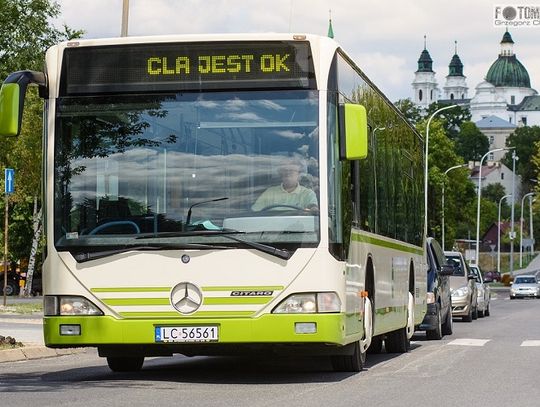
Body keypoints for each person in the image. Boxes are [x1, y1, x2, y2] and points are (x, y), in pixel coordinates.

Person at [251, 158, 318, 212]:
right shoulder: (269, 192)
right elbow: (255, 212)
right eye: (285, 170)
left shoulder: (308, 194)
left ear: (299, 175)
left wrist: (313, 208)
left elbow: (313, 209)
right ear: (281, 174)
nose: (288, 173)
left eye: (291, 170)